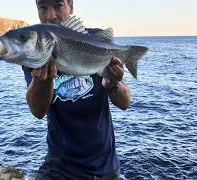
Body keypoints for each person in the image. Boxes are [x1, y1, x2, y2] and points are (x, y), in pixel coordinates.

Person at [22, 0, 131, 179]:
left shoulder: (94, 40)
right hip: (59, 166)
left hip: (105, 166)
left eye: (58, 5)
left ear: (71, 6)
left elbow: (125, 102)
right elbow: (38, 111)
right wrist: (43, 77)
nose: (50, 15)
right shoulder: (35, 52)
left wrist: (112, 83)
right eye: (43, 7)